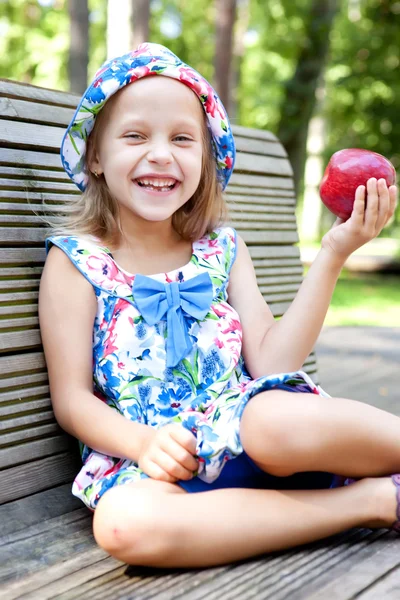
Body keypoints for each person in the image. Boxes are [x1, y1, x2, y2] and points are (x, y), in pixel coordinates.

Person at [39, 42, 399, 569]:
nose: (161, 153)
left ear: (204, 158)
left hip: (245, 432)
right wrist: (141, 444)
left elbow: (274, 363)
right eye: (135, 135)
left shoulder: (220, 250)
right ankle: (370, 502)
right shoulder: (76, 263)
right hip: (154, 460)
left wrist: (334, 252)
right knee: (124, 525)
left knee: (273, 421)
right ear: (96, 155)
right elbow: (72, 400)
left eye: (182, 139)